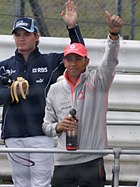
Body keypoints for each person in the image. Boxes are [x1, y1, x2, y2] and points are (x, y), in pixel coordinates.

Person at [0, 1, 84, 187]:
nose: (21, 39)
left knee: (41, 184)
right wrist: (10, 92)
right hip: (13, 134)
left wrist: (72, 27)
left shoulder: (50, 61)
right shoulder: (4, 66)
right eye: (18, 35)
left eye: (26, 34)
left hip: (42, 134)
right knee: (21, 184)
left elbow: (78, 56)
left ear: (36, 37)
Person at [42, 10, 123, 187]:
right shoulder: (55, 89)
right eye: (69, 59)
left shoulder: (98, 81)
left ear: (86, 62)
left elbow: (110, 61)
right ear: (63, 62)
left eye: (77, 59)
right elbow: (46, 126)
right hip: (63, 162)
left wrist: (113, 36)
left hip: (91, 160)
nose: (73, 63)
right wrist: (58, 126)